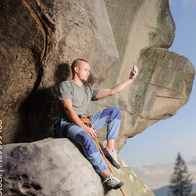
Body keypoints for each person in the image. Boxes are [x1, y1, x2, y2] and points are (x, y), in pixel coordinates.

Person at [54, 58, 138, 189]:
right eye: (86, 70)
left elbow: (111, 91)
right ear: (76, 70)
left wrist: (130, 79)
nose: (88, 73)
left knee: (114, 111)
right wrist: (84, 128)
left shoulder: (88, 91)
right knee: (85, 136)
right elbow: (68, 109)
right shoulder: (66, 85)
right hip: (67, 124)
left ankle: (110, 150)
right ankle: (107, 176)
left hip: (84, 121)